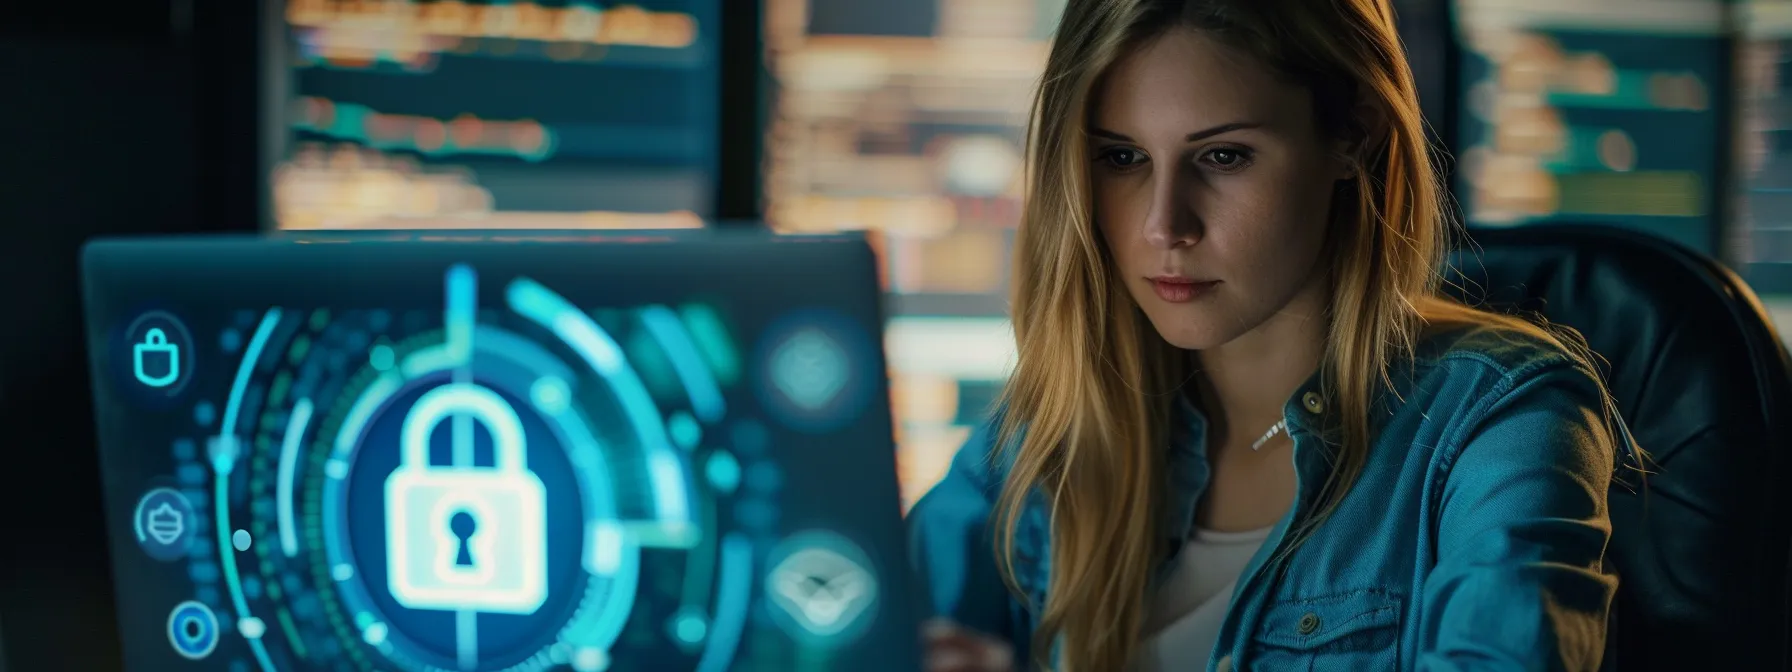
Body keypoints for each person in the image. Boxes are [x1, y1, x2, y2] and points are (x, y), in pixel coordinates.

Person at [909, 0, 1638, 670]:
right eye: (1122, 158)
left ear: (1353, 136)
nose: (1165, 225)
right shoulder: (1050, 435)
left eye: (1223, 156)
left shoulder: (1500, 423)